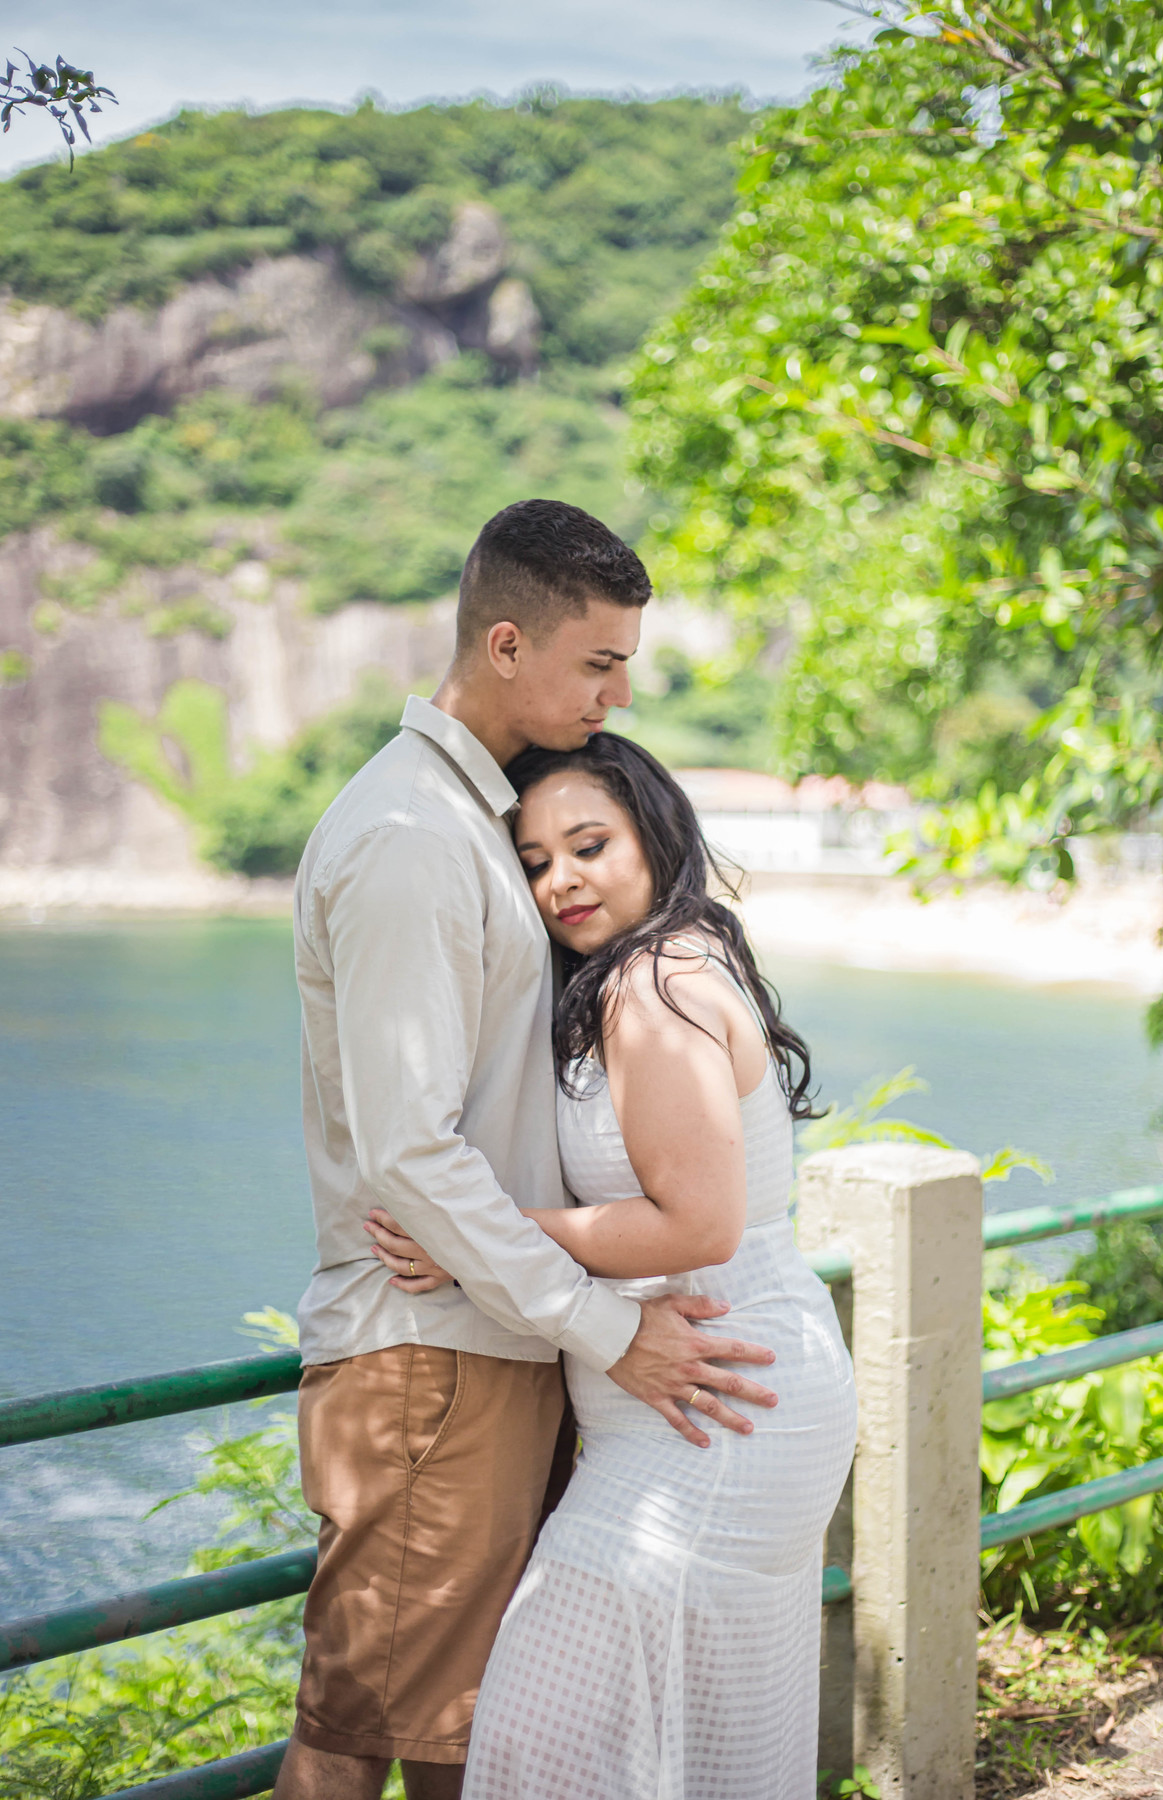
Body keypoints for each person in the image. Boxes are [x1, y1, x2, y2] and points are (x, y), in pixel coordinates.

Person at [275, 500, 780, 1800]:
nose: (622, 693)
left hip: (489, 1343)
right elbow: (411, 1154)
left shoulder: (482, 826)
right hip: (430, 1354)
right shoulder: (410, 840)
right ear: (507, 645)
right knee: (359, 1735)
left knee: (473, 1736)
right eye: (600, 661)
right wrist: (606, 1328)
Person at [365, 730, 858, 1799]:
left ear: (655, 836)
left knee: (536, 1744)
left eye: (589, 846)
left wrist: (478, 1235)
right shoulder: (651, 970)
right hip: (713, 1399)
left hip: (721, 1411)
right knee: (688, 1751)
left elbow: (700, 1225)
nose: (562, 882)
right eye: (536, 862)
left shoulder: (653, 983)